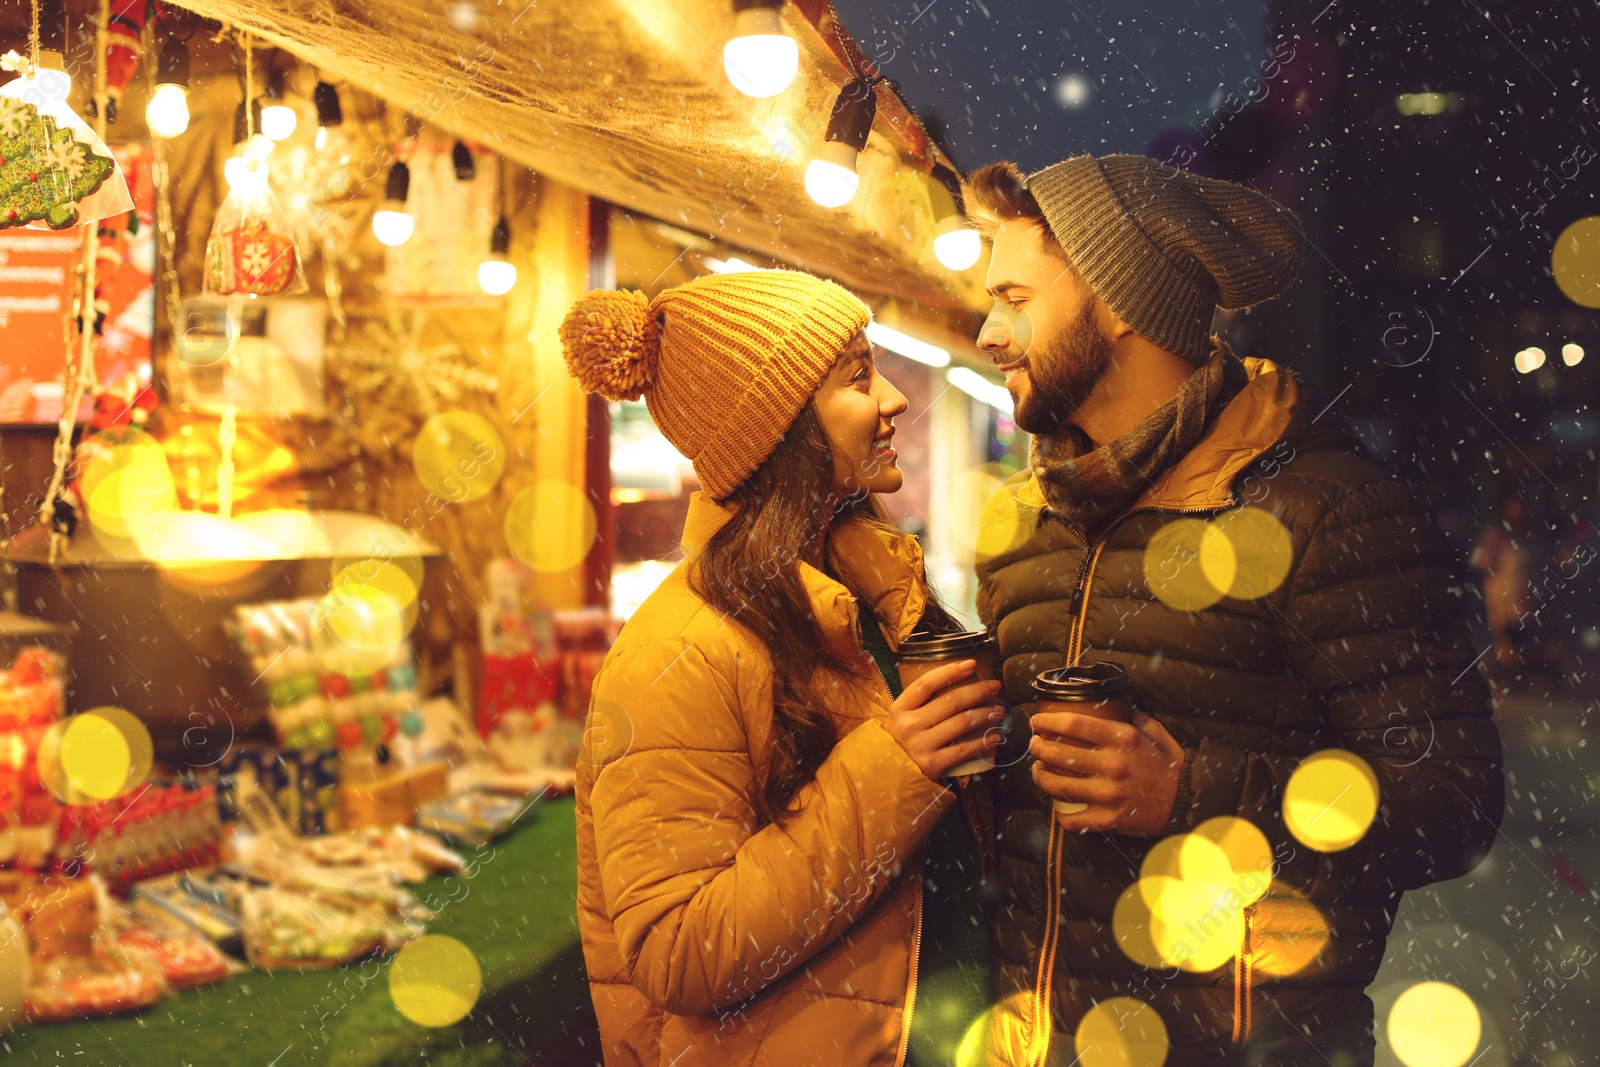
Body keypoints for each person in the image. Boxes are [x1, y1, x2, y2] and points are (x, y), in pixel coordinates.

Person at [961, 155, 1505, 1065]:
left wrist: (1191, 794)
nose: (986, 331)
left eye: (1015, 297)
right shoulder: (1023, 518)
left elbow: (1453, 802)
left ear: (1118, 302)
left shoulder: (1325, 507)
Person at [565, 269, 997, 1065]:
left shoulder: (869, 590)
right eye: (859, 376)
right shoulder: (679, 649)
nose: (895, 399)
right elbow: (675, 949)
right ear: (779, 427)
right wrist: (895, 768)